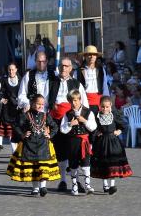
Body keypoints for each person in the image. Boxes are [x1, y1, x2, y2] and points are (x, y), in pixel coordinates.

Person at [6, 94, 60, 197]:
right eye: (38, 104)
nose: (40, 106)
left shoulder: (45, 115)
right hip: (29, 144)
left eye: (42, 104)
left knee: (42, 166)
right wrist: (22, 135)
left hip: (43, 144)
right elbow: (16, 125)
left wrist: (49, 135)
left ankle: (43, 187)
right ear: (32, 103)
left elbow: (55, 127)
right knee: (33, 167)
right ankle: (35, 188)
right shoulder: (26, 115)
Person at [49, 57, 88, 192]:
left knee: (73, 153)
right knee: (60, 152)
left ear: (71, 68)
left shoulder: (77, 84)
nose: (63, 68)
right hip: (56, 121)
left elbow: (85, 104)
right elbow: (43, 100)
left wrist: (83, 120)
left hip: (73, 121)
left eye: (66, 66)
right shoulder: (51, 82)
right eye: (61, 66)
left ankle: (76, 182)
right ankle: (63, 181)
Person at [91, 96, 132, 194]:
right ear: (100, 106)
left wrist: (119, 131)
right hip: (101, 143)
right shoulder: (96, 117)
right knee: (103, 164)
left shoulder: (114, 115)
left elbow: (123, 125)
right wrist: (97, 133)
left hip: (113, 142)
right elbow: (93, 128)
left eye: (107, 107)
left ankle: (112, 185)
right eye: (103, 107)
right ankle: (105, 184)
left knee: (112, 163)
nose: (105, 109)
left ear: (111, 106)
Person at [60, 89, 97, 195]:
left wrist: (84, 121)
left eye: (76, 100)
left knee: (86, 163)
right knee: (73, 164)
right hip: (72, 141)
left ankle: (87, 184)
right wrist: (70, 124)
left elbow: (93, 127)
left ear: (80, 100)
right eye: (71, 101)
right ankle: (74, 185)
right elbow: (62, 130)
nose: (74, 103)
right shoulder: (67, 114)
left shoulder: (88, 112)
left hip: (84, 141)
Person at [77, 45, 110, 115]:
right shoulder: (78, 71)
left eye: (94, 55)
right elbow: (76, 88)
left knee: (99, 122)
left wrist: (106, 100)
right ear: (85, 56)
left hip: (99, 100)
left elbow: (104, 85)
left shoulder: (101, 69)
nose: (92, 57)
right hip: (84, 100)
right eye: (89, 55)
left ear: (96, 56)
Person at [0, 63, 20, 153]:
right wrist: (1, 98)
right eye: (9, 69)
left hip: (18, 108)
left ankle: (17, 151)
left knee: (17, 130)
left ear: (16, 70)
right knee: (10, 130)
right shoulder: (4, 80)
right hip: (7, 108)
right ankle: (14, 151)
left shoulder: (20, 79)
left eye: (13, 69)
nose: (11, 71)